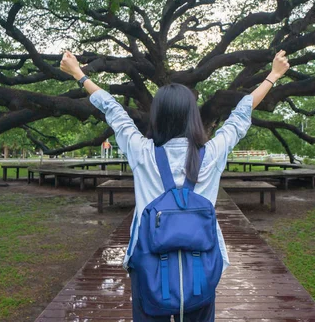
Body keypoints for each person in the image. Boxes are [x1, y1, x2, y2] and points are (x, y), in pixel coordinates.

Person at [60, 50, 289, 321]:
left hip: (148, 268)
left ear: (158, 116)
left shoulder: (141, 151)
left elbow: (113, 109)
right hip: (201, 268)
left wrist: (79, 74)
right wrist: (272, 76)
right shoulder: (212, 153)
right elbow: (240, 114)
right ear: (192, 115)